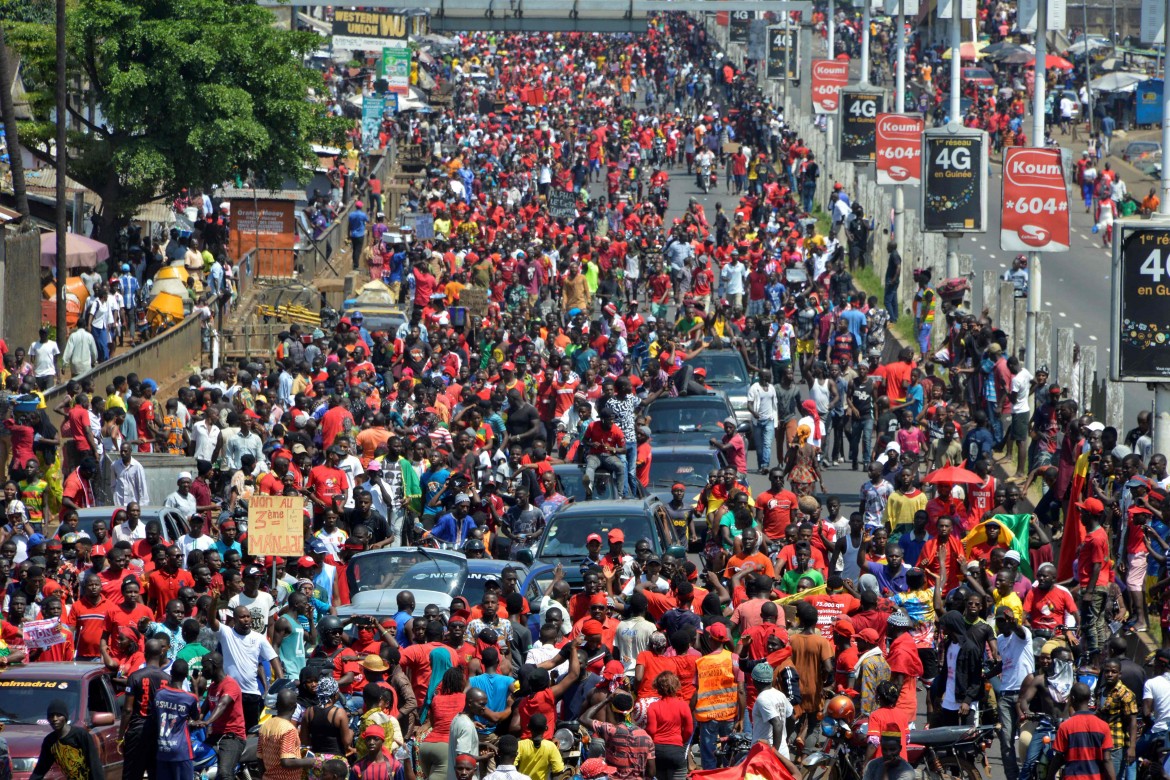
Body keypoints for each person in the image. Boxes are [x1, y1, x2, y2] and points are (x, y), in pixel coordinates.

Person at [1046, 682, 1116, 780]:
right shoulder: (1103, 726)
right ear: (1088, 699)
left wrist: (1049, 777)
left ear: (1072, 699)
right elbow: (1107, 759)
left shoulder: (1065, 727)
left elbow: (1058, 758)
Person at [28, 699, 104, 780]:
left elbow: (94, 764)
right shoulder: (50, 741)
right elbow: (40, 769)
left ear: (65, 717)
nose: (55, 719)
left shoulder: (80, 735)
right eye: (51, 716)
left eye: (59, 715)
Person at [153, 659, 201, 780]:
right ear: (186, 676)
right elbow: (196, 716)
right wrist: (195, 687)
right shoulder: (189, 698)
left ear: (171, 673)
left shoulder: (158, 694)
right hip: (181, 751)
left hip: (162, 749)